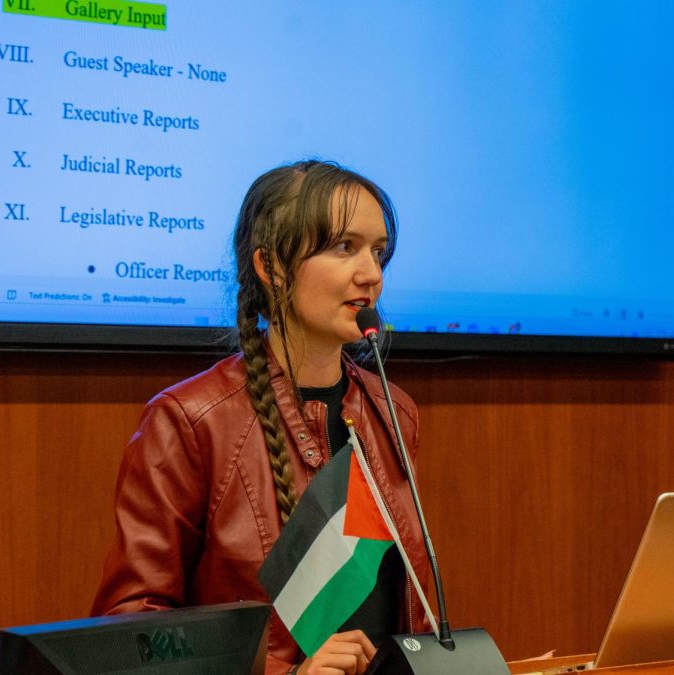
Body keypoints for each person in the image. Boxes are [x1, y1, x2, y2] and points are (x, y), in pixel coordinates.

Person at [91, 160, 431, 674]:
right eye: (345, 247)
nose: (372, 274)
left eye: (378, 251)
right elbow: (131, 634)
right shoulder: (191, 421)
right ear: (271, 267)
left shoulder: (394, 411)